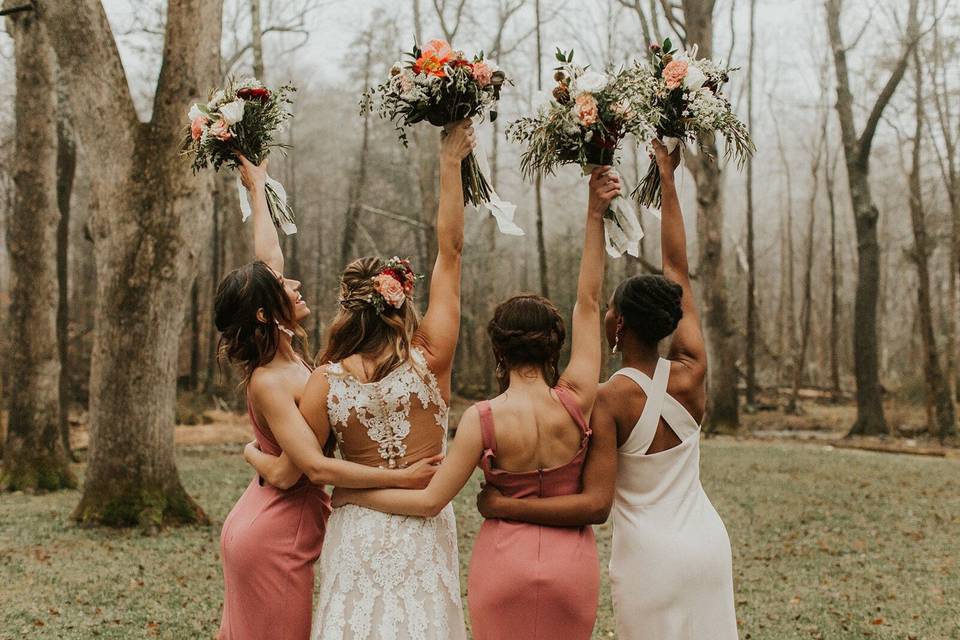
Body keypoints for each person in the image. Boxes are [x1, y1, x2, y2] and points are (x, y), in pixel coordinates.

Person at [333, 166, 617, 639]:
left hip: (503, 568)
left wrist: (350, 493)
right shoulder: (578, 398)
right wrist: (594, 212)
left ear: (498, 351)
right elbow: (588, 301)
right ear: (554, 346)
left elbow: (427, 502)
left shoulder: (481, 420)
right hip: (572, 567)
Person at [476, 139, 738, 639]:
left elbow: (595, 505)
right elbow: (677, 271)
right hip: (708, 546)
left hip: (650, 558)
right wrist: (667, 177)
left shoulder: (608, 399)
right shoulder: (691, 371)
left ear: (617, 328)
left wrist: (505, 504)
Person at [251, 119, 475, 639]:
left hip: (357, 534)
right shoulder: (431, 357)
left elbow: (296, 470)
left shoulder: (323, 381)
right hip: (423, 533)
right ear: (402, 303)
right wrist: (449, 162)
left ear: (348, 309)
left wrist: (251, 454)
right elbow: (452, 252)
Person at [215, 156, 440, 640]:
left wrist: (257, 185)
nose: (292, 283)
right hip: (275, 533)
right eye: (283, 287)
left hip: (281, 520)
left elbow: (267, 253)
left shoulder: (285, 351)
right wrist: (400, 477)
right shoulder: (269, 382)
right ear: (263, 314)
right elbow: (308, 469)